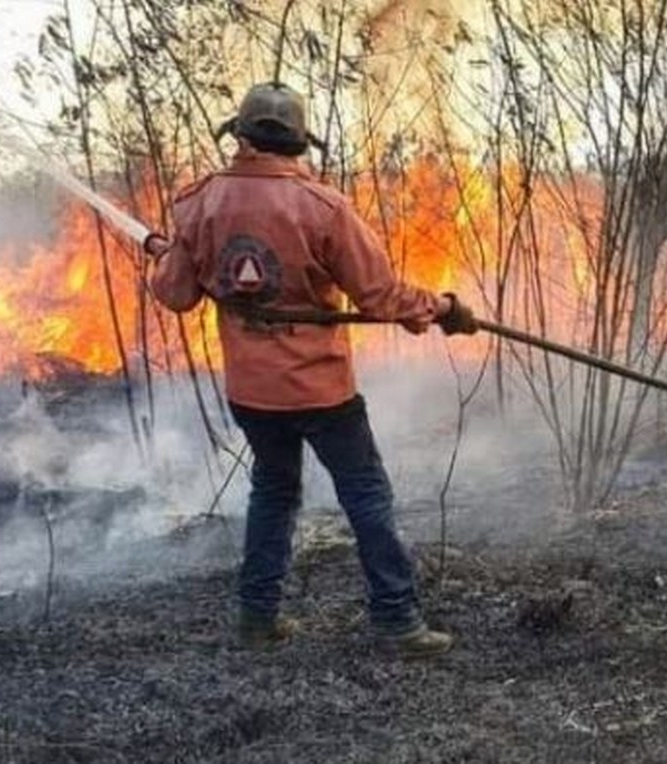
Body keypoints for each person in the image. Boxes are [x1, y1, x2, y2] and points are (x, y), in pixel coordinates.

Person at [145, 82, 478, 657]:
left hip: (252, 392)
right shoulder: (323, 208)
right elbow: (380, 296)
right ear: (298, 144)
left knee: (273, 492)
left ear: (241, 136)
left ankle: (257, 619)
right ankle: (397, 621)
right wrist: (443, 309)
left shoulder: (200, 203)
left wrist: (168, 256)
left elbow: (176, 294)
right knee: (366, 496)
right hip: (320, 388)